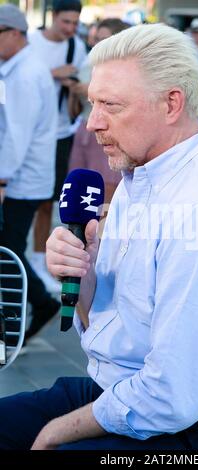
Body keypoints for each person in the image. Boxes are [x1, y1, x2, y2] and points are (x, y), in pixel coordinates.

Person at [0, 23, 198, 451]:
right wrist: (84, 273)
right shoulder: (142, 177)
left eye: (111, 105)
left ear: (172, 103)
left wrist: (56, 432)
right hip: (124, 390)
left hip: (197, 432)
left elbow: (174, 396)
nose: (92, 124)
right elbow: (116, 327)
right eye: (92, 102)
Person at [0, 5, 60, 341]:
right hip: (20, 177)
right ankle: (31, 306)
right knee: (9, 249)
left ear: (13, 34)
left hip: (20, 180)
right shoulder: (16, 69)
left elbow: (16, 135)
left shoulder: (25, 74)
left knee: (8, 251)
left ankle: (24, 313)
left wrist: (1, 178)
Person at [29, 0, 87, 293]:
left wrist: (73, 83)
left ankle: (38, 259)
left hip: (62, 130)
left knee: (48, 201)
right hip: (28, 131)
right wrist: (54, 74)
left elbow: (80, 81)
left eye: (75, 23)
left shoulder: (75, 46)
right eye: (66, 22)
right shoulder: (28, 41)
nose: (70, 28)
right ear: (52, 17)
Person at [67, 19, 129, 203]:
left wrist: (85, 89)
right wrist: (73, 90)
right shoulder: (88, 65)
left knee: (106, 191)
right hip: (83, 129)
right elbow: (74, 110)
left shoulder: (125, 69)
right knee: (77, 190)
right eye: (96, 39)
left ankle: (103, 231)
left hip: (108, 132)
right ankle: (79, 232)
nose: (96, 44)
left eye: (104, 39)